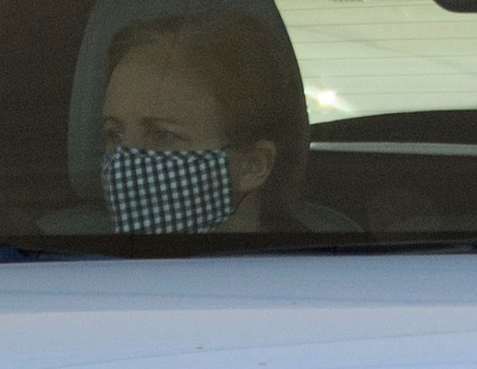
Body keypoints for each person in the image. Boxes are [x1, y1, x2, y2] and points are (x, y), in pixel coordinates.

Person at [85, 13, 315, 234]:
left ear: (253, 165)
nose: (120, 165)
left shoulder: (314, 270)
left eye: (161, 135)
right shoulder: (79, 263)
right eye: (114, 134)